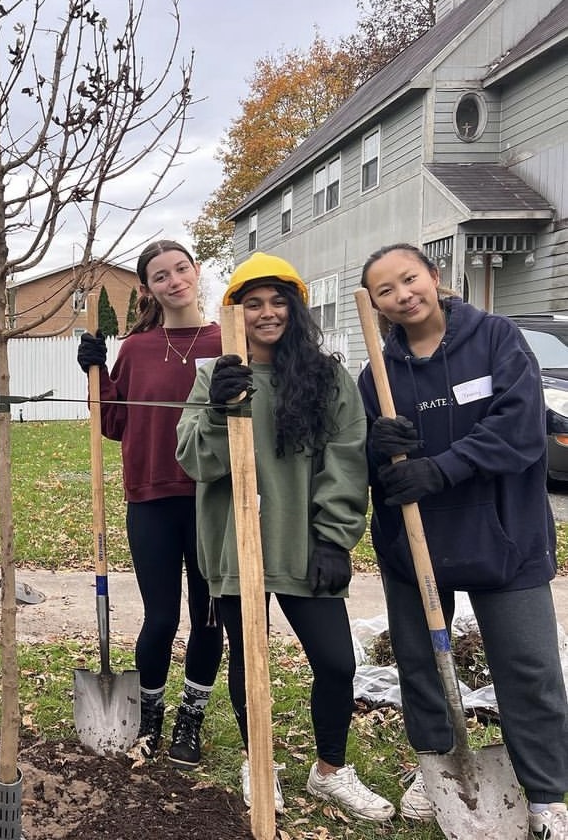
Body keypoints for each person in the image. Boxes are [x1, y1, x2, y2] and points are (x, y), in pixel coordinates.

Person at [176, 252, 394, 821]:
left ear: (296, 309)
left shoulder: (328, 377)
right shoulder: (213, 376)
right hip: (234, 543)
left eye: (278, 302)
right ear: (236, 313)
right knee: (250, 662)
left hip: (305, 541)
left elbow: (346, 459)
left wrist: (334, 538)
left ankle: (330, 770)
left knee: (337, 663)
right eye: (253, 304)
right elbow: (195, 460)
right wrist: (222, 409)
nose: (267, 313)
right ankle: (259, 761)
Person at [358, 243, 568, 837]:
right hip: (417, 542)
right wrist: (378, 446)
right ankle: (436, 768)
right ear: (374, 305)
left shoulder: (496, 337)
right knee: (422, 666)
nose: (403, 295)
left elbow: (522, 426)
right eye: (386, 291)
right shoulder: (378, 372)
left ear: (434, 275)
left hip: (505, 537)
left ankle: (546, 794)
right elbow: (367, 463)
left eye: (409, 279)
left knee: (528, 667)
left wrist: (443, 466)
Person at [75, 240, 224, 765]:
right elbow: (114, 424)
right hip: (151, 496)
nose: (174, 280)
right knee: (160, 618)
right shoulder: (137, 348)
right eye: (161, 275)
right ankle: (152, 711)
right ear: (147, 288)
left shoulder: (229, 340)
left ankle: (193, 716)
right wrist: (96, 373)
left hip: (214, 501)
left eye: (181, 269)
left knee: (208, 617)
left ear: (196, 272)